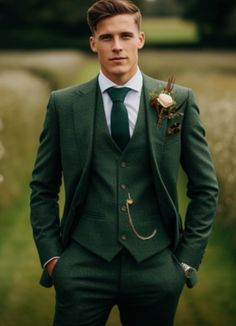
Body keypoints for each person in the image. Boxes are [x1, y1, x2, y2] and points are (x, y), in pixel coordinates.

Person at [30, 0, 219, 325]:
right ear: (93, 43)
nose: (117, 46)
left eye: (125, 36)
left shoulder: (180, 101)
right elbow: (43, 188)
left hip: (157, 268)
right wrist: (53, 258)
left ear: (140, 39)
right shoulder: (63, 105)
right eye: (106, 38)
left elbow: (205, 188)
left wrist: (186, 262)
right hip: (82, 268)